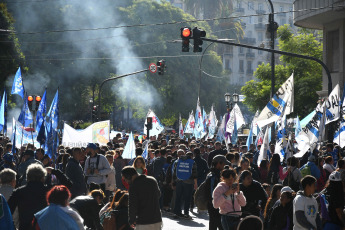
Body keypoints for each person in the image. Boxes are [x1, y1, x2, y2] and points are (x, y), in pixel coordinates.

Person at [8, 164, 72, 230]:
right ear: (43, 178)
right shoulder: (49, 190)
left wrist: (13, 227)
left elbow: (8, 210)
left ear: (28, 177)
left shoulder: (18, 192)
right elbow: (68, 184)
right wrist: (54, 171)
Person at [172, 149, 198, 219]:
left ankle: (176, 212)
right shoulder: (192, 162)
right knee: (187, 198)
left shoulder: (178, 161)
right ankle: (186, 213)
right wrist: (195, 184)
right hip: (188, 182)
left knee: (178, 198)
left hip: (179, 181)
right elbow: (194, 174)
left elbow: (174, 173)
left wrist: (174, 182)